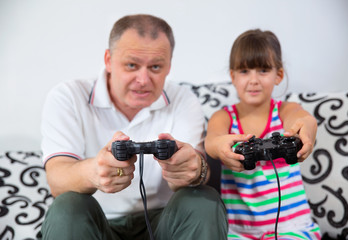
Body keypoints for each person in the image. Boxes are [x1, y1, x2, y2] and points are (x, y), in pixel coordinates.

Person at [39, 14, 228, 240]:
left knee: (202, 200)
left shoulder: (183, 99)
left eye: (156, 67)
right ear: (108, 60)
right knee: (67, 207)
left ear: (169, 66)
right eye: (131, 65)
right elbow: (57, 180)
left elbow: (197, 175)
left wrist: (195, 170)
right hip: (94, 223)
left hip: (164, 222)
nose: (143, 79)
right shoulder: (68, 97)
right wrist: (94, 173)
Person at [205, 29, 322, 239]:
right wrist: (221, 146)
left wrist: (307, 128)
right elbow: (212, 141)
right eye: (244, 71)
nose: (253, 80)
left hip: (292, 227)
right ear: (232, 76)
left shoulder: (286, 110)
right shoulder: (223, 117)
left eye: (263, 70)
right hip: (239, 231)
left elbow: (303, 119)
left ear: (278, 75)